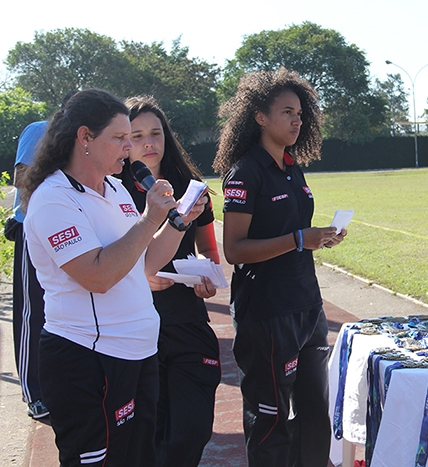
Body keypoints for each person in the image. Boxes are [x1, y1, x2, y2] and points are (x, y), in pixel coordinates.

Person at [20, 89, 206, 466]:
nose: (129, 148)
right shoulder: (53, 198)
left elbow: (145, 262)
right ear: (85, 138)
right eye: (120, 138)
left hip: (138, 352)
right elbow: (98, 275)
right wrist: (150, 218)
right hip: (89, 359)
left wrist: (178, 223)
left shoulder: (117, 188)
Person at [213, 67, 345, 467]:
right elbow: (234, 249)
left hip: (307, 305)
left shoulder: (292, 166)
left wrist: (318, 237)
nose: (296, 120)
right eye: (287, 111)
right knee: (271, 421)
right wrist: (298, 239)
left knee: (314, 417)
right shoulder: (245, 172)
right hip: (267, 312)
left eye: (301, 114)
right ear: (259, 117)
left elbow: (296, 233)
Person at [117, 96, 222, 467]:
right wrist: (139, 280)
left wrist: (208, 277)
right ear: (122, 140)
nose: (148, 143)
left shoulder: (192, 187)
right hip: (133, 327)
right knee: (147, 434)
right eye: (138, 134)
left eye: (156, 133)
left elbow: (210, 251)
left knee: (191, 430)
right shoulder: (110, 190)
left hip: (187, 321)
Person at [9, 120, 49, 419]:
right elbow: (21, 177)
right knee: (31, 312)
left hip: (72, 227)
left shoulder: (93, 138)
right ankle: (33, 393)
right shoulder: (39, 131)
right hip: (33, 227)